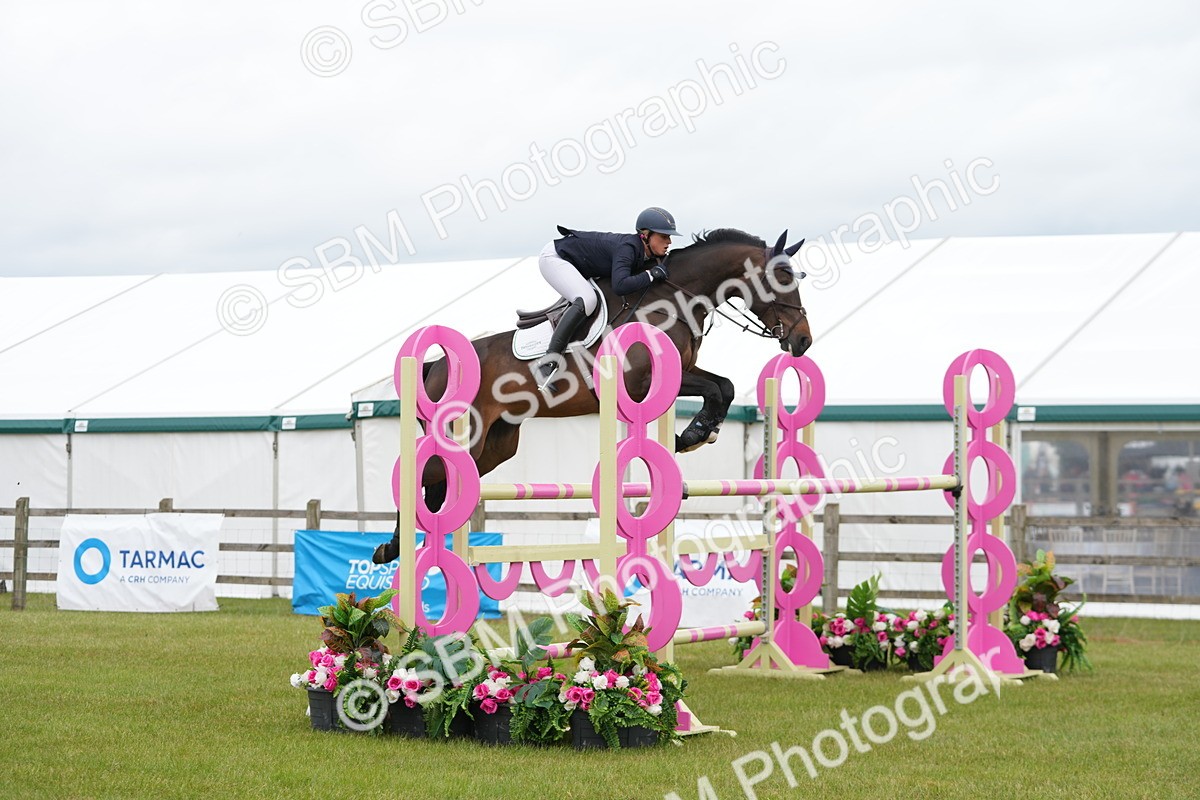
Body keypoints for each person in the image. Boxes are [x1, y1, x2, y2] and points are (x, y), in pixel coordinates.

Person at [535, 207, 680, 390]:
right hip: (555, 258)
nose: (669, 241)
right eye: (664, 236)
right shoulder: (628, 248)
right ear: (645, 235)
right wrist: (650, 275)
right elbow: (620, 286)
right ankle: (547, 363)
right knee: (587, 299)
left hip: (578, 264)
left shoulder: (641, 250)